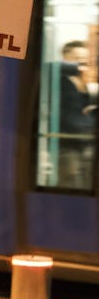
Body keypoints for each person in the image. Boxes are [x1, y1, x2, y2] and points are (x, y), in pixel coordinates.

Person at [57, 40, 97, 190]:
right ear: (65, 57)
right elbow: (69, 119)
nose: (82, 61)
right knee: (72, 186)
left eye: (85, 58)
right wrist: (91, 123)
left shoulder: (82, 82)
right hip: (67, 146)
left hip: (84, 145)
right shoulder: (61, 81)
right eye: (77, 57)